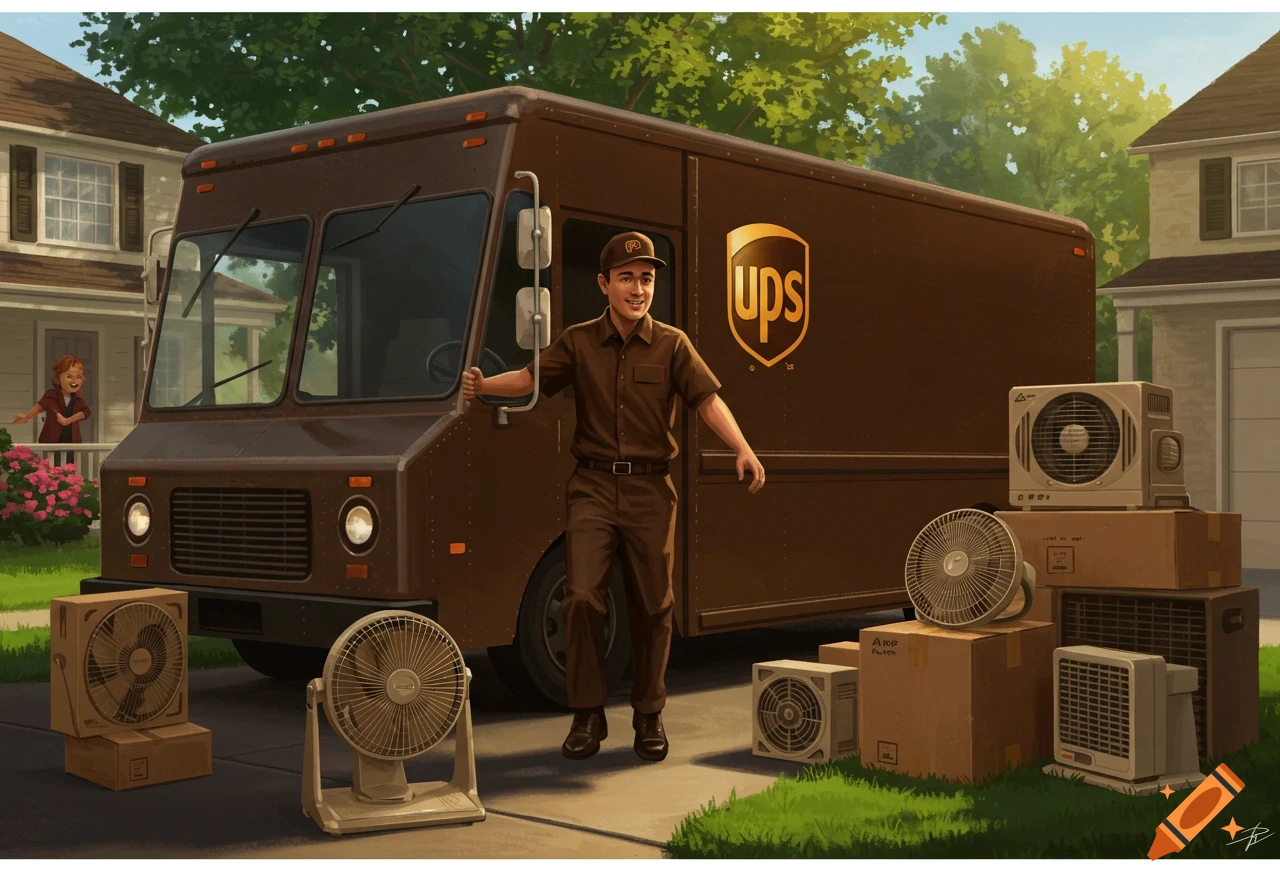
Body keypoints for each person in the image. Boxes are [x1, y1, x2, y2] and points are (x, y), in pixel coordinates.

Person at [462, 231, 764, 762]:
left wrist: (742, 447)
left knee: (654, 605)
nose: (638, 288)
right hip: (594, 487)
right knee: (581, 598)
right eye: (627, 278)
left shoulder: (673, 344)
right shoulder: (578, 342)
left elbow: (707, 400)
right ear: (605, 284)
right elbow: (531, 379)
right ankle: (587, 716)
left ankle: (649, 716)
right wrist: (484, 385)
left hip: (650, 488)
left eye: (646, 279)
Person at [11, 354, 92, 468]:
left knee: (70, 467)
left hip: (71, 441)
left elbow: (85, 412)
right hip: (52, 439)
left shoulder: (79, 399)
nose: (74, 380)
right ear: (57, 379)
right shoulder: (52, 395)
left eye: (78, 377)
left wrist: (68, 420)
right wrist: (26, 417)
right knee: (51, 466)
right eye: (69, 376)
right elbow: (43, 405)